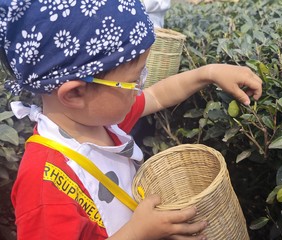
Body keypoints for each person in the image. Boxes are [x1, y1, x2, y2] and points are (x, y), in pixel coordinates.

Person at [0, 1, 262, 239]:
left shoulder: (99, 122)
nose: (141, 86)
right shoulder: (44, 184)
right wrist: (139, 232)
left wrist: (209, 73)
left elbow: (158, 96)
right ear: (75, 92)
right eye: (133, 80)